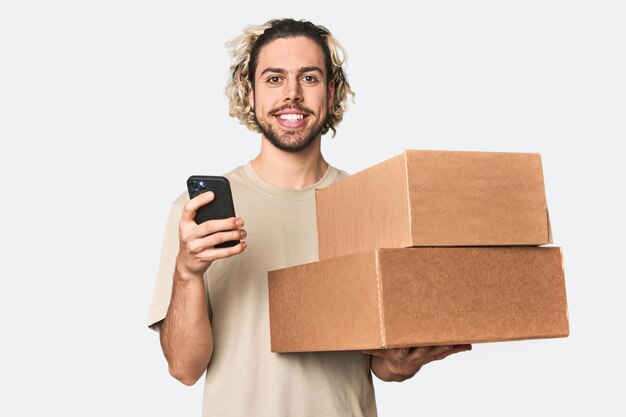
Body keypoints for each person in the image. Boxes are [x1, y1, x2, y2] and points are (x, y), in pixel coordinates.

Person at [147, 18, 471, 417]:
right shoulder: (195, 214)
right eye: (274, 79)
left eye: (310, 78)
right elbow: (184, 369)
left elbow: (380, 362)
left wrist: (400, 363)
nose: (293, 95)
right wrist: (188, 272)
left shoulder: (372, 205)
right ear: (250, 93)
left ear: (330, 92)